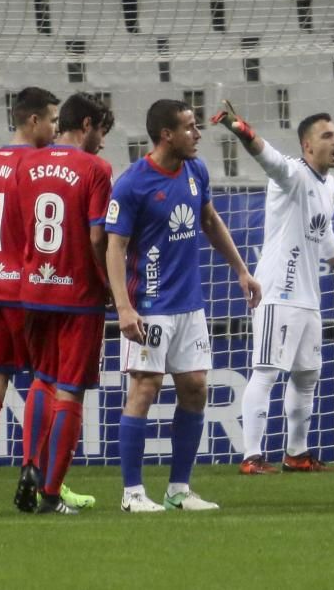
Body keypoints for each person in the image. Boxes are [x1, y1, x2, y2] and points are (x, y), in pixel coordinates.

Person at [106, 99, 261, 512]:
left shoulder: (196, 170)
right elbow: (114, 247)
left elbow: (210, 221)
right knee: (145, 387)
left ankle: (178, 490)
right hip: (150, 305)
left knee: (195, 388)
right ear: (166, 135)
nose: (197, 135)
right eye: (189, 128)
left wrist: (242, 271)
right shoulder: (132, 184)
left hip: (190, 305)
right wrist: (123, 306)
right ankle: (132, 494)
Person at [211, 104, 334, 475]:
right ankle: (251, 456)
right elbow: (266, 156)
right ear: (308, 146)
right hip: (277, 292)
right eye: (328, 136)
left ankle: (296, 453)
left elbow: (323, 229)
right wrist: (239, 127)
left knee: (307, 375)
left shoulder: (328, 184)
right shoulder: (292, 173)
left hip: (308, 298)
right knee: (265, 372)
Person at [0, 87, 94, 515]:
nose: (58, 129)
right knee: (51, 382)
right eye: (54, 121)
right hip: (28, 291)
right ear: (35, 121)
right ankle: (40, 477)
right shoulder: (36, 166)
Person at [13, 92, 115, 515]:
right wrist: (106, 281)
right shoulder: (96, 169)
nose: (103, 143)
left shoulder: (28, 164)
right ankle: (51, 494)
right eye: (102, 133)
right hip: (78, 294)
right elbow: (96, 236)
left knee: (43, 379)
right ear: (87, 125)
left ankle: (29, 466)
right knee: (71, 391)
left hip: (35, 289)